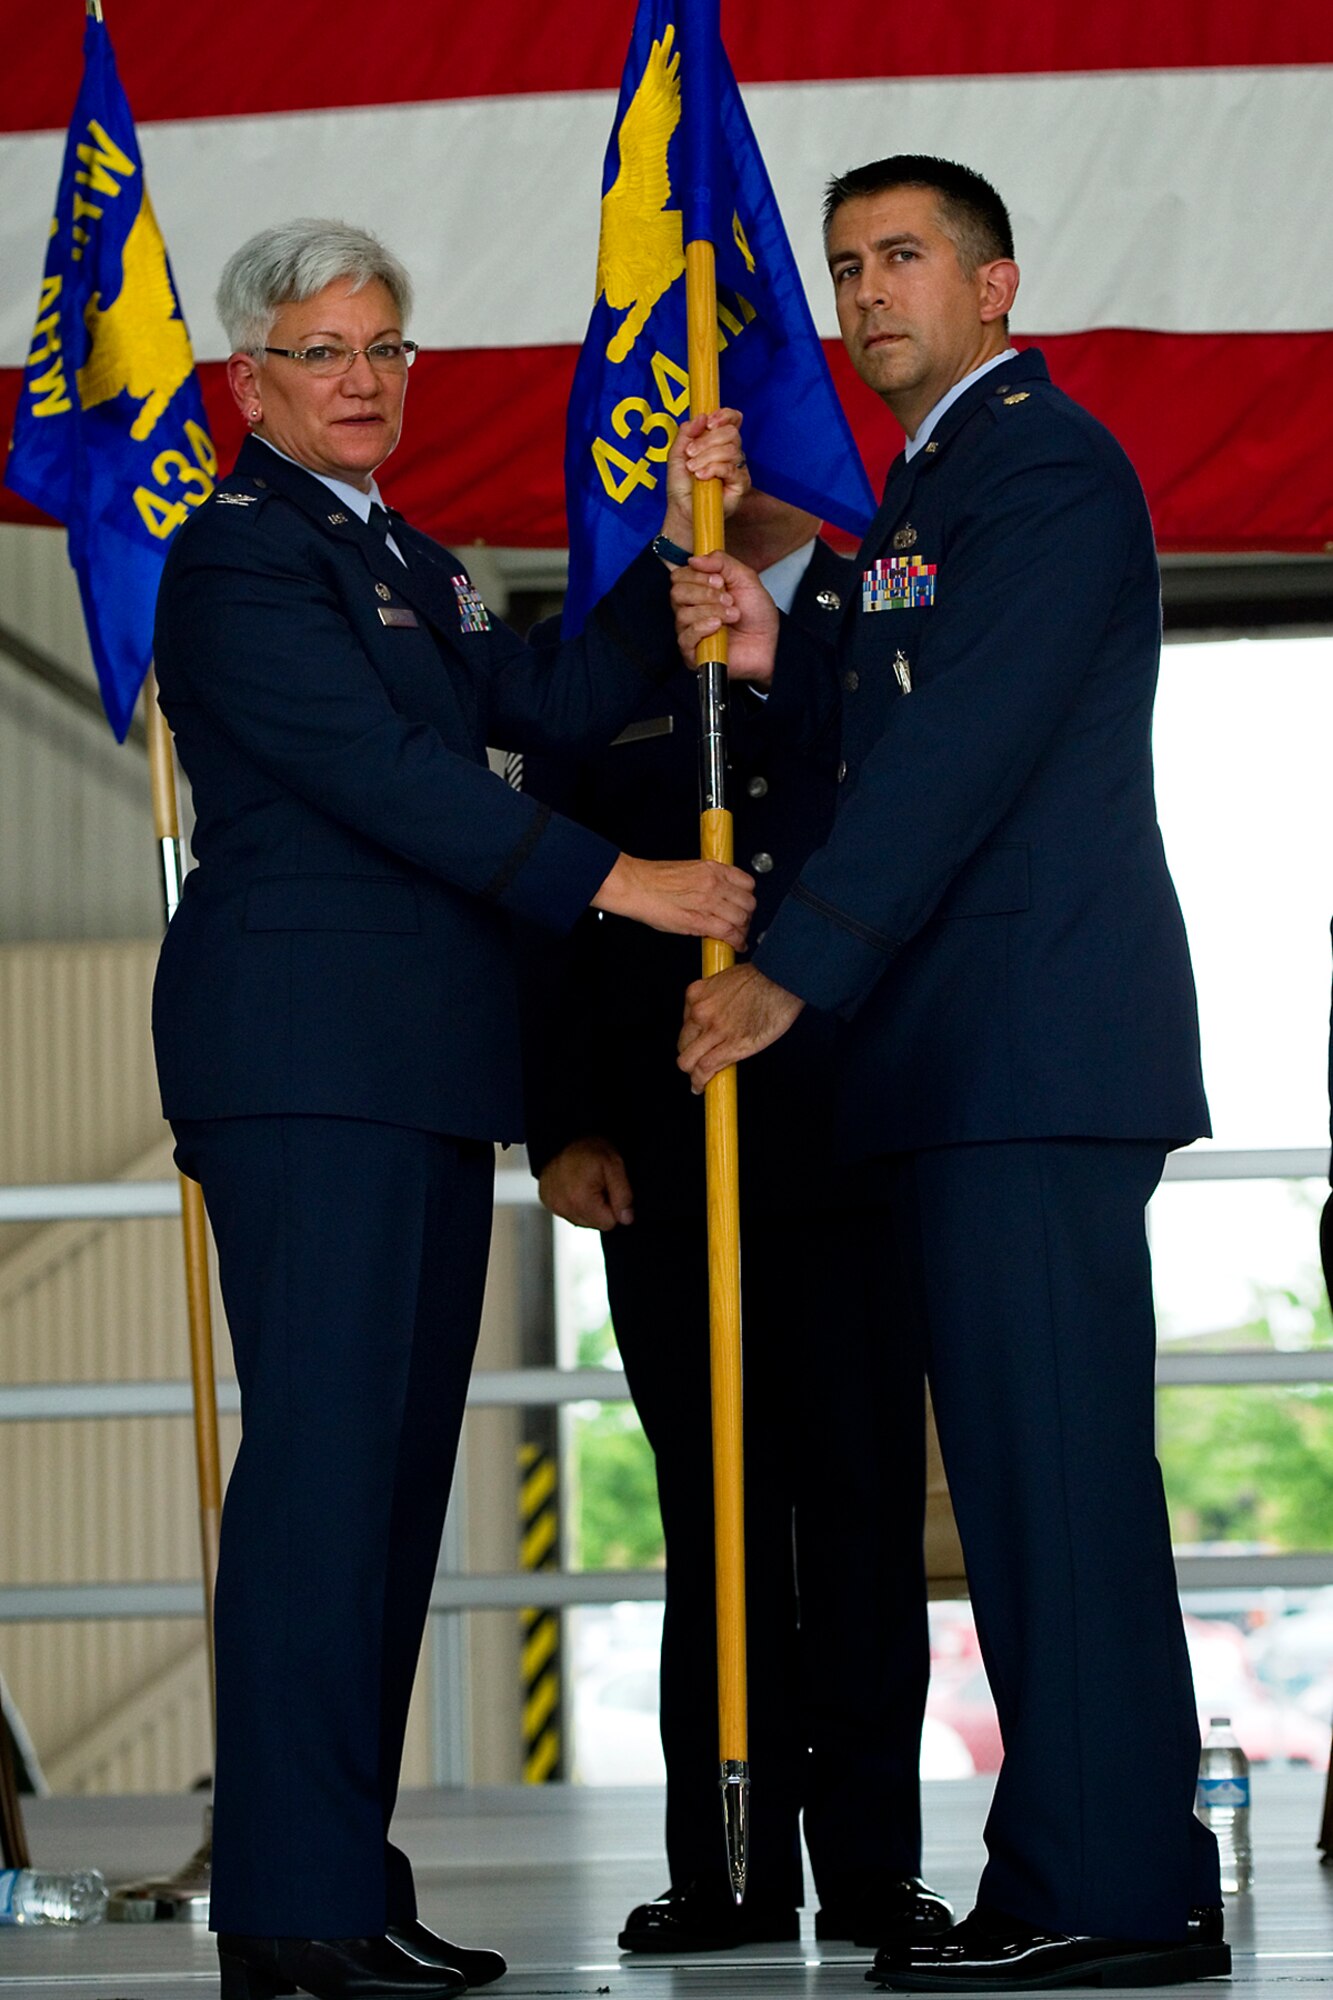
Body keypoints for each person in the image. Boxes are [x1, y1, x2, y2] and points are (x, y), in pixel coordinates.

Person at [151, 217, 754, 2000]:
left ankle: (342, 1874)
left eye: (384, 351)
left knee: (390, 1489)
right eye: (324, 353)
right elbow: (385, 776)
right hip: (304, 1061)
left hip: (408, 1067)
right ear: (249, 379)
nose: (361, 381)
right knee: (325, 1485)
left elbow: (552, 700)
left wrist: (665, 554)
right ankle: (283, 1903)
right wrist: (619, 886)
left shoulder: (402, 553)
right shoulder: (240, 558)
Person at [670, 156, 1229, 1990]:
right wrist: (770, 647)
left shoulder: (1043, 467)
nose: (865, 291)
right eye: (843, 267)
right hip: (969, 1061)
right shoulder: (930, 485)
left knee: (1053, 1481)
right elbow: (873, 717)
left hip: (1031, 1046)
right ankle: (1075, 1868)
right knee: (1015, 1486)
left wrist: (790, 979)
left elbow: (961, 756)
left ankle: (1110, 1890)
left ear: (995, 285)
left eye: (902, 257)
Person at [520, 491, 951, 1955]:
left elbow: (918, 846)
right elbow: (547, 905)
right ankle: (727, 1869)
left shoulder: (871, 617)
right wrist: (558, 1123)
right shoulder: (605, 639)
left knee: (855, 1513)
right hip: (662, 1144)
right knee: (712, 1515)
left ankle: (878, 1870)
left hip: (849, 1137)